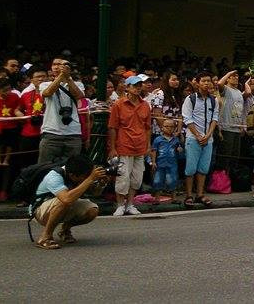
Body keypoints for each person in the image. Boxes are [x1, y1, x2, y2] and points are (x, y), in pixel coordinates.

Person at [31, 154, 107, 250]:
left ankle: (65, 229)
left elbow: (95, 193)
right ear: (72, 175)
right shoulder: (54, 176)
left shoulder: (80, 174)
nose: (85, 179)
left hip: (61, 206)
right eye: (84, 177)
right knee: (66, 201)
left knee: (92, 210)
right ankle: (45, 237)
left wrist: (101, 184)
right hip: (40, 211)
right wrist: (90, 179)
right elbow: (66, 199)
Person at [107, 75, 152, 216]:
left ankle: (130, 204)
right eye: (135, 85)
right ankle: (120, 204)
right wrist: (113, 148)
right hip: (124, 145)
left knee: (136, 178)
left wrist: (148, 145)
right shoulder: (118, 104)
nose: (138, 88)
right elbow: (113, 127)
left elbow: (148, 127)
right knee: (123, 178)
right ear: (128, 87)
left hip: (140, 146)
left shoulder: (145, 105)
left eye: (139, 85)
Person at [181, 71, 219, 208]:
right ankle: (189, 195)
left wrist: (208, 135)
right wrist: (197, 135)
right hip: (193, 138)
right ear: (197, 83)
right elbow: (187, 118)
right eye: (203, 81)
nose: (207, 83)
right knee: (190, 168)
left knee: (203, 168)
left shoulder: (213, 100)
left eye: (209, 81)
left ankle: (200, 194)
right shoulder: (191, 99)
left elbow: (215, 118)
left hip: (208, 139)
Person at [38, 57, 86, 163]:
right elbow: (47, 93)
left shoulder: (78, 84)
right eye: (54, 64)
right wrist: (61, 76)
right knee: (44, 167)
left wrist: (68, 78)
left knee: (72, 169)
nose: (57, 67)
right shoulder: (44, 84)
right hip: (51, 132)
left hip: (73, 133)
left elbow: (79, 95)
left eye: (61, 65)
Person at [216, 70, 246, 177]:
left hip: (237, 128)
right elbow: (219, 83)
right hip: (226, 127)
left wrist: (242, 125)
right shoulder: (226, 90)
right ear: (228, 78)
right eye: (233, 77)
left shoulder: (238, 92)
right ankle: (221, 180)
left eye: (237, 77)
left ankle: (231, 180)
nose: (236, 78)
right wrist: (229, 73)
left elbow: (241, 109)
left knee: (235, 157)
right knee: (225, 156)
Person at [150, 119, 182, 203]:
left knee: (173, 180)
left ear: (175, 128)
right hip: (160, 163)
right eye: (166, 126)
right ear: (162, 128)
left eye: (171, 127)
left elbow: (179, 149)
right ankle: (157, 199)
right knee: (158, 180)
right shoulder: (158, 139)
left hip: (172, 163)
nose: (169, 128)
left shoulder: (175, 140)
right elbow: (154, 151)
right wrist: (153, 162)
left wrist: (179, 149)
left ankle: (174, 198)